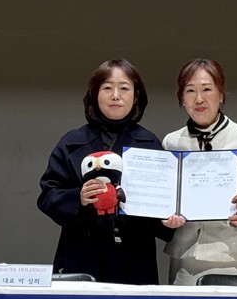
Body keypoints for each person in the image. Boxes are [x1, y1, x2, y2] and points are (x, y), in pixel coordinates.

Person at [37, 59, 176, 284]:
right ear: (94, 94)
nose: (115, 96)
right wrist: (79, 198)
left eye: (124, 88)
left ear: (136, 96)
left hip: (134, 258)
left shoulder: (149, 144)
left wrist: (167, 221)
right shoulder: (71, 142)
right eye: (107, 88)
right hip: (81, 255)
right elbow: (48, 196)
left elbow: (161, 204)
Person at [162, 58, 237, 285]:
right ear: (182, 98)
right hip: (185, 260)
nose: (199, 99)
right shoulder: (172, 142)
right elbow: (166, 198)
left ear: (221, 94)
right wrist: (164, 216)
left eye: (207, 89)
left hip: (235, 258)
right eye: (190, 91)